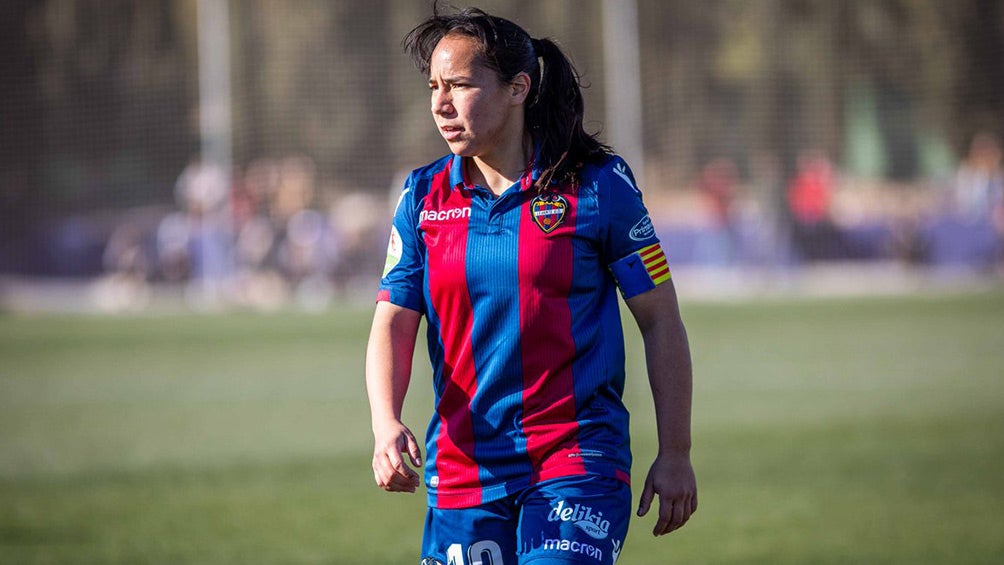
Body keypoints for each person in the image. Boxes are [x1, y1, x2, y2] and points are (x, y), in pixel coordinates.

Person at [366, 6, 696, 564]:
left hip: (577, 457)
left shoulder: (597, 185)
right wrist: (385, 423)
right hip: (466, 467)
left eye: (461, 85)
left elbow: (661, 319)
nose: (440, 104)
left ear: (518, 88)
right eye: (434, 87)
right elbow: (393, 320)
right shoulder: (422, 198)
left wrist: (676, 451)